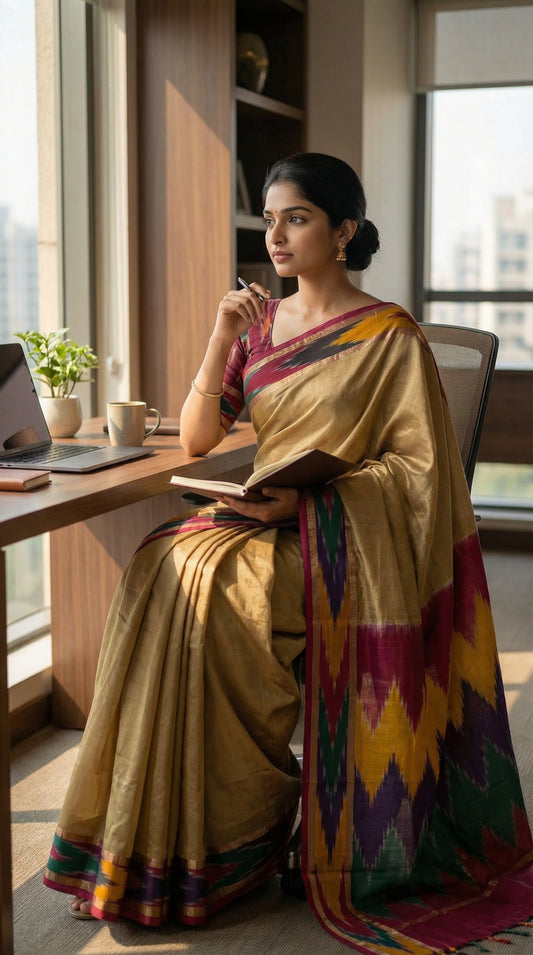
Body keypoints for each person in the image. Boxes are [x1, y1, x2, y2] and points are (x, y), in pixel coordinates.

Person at [44, 153, 533, 952]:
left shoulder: (388, 335)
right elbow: (200, 438)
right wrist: (220, 334)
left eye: (295, 218)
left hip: (344, 540)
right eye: (268, 218)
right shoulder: (262, 325)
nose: (274, 234)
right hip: (266, 521)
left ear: (341, 232)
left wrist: (312, 502)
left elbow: (420, 474)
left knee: (215, 590)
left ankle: (235, 839)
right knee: (161, 563)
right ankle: (172, 842)